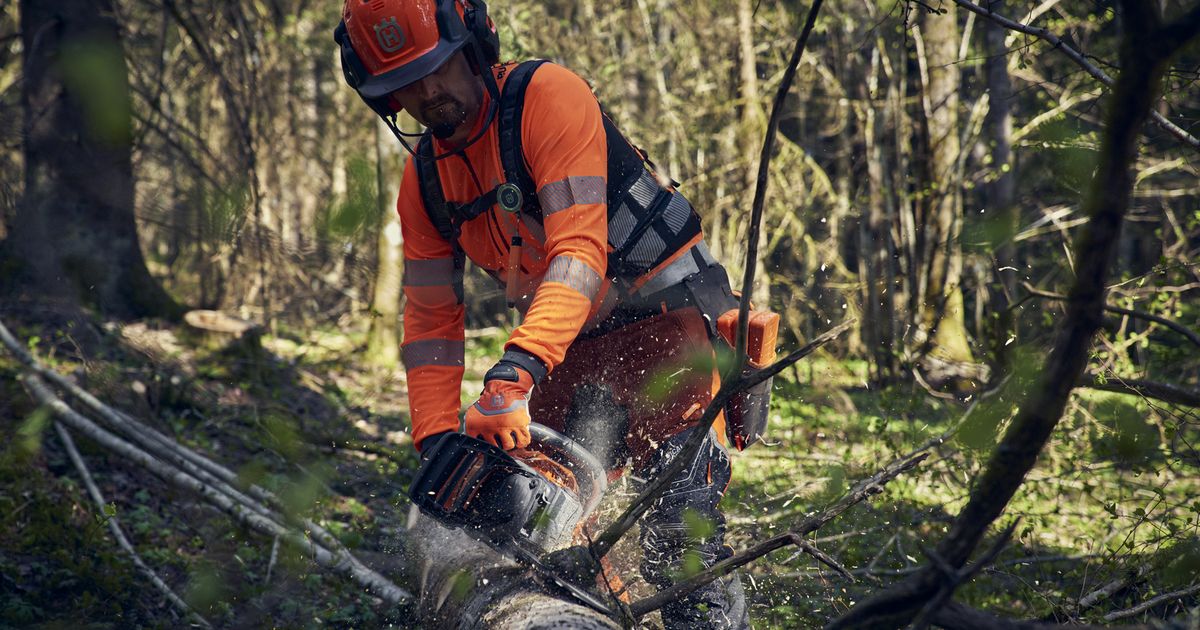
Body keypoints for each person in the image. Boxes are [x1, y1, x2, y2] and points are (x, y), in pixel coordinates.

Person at [335, 1, 762, 627]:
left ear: (473, 44)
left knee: (679, 531)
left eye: (438, 68)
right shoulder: (423, 181)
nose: (426, 92)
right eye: (403, 82)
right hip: (568, 348)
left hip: (671, 333)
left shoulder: (546, 99)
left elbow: (578, 257)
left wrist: (511, 378)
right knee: (539, 526)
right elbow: (431, 322)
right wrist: (435, 439)